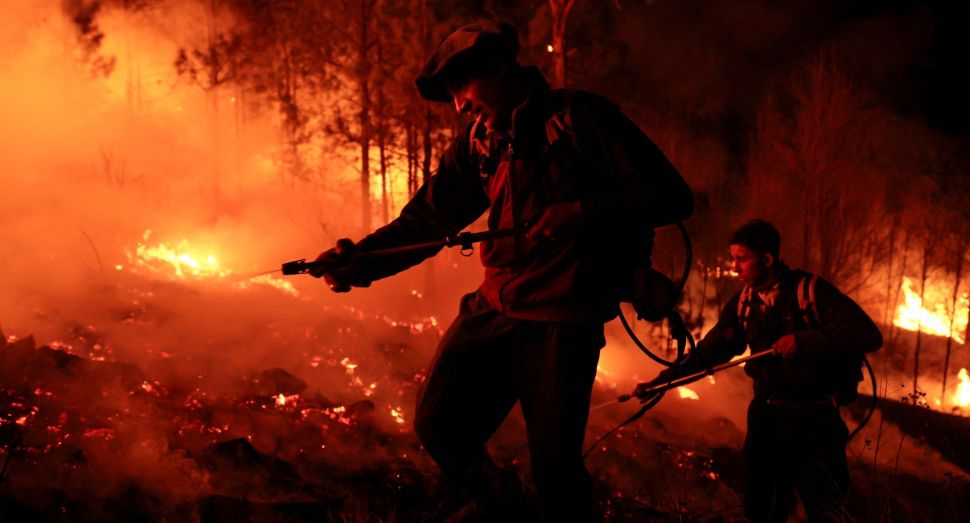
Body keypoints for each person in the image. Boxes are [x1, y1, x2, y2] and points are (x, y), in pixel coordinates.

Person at [311, 21, 693, 521]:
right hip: (493, 308)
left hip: (562, 323)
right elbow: (427, 220)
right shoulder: (479, 145)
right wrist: (358, 261)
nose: (460, 106)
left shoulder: (581, 119)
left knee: (556, 474)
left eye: (462, 89)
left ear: (497, 69)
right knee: (438, 423)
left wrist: (580, 212)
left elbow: (671, 196)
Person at [635, 219, 882, 522]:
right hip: (765, 419)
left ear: (767, 259)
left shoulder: (812, 292)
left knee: (826, 509)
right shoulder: (743, 302)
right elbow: (709, 353)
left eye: (742, 259)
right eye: (733, 259)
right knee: (761, 508)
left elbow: (867, 334)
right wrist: (660, 383)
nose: (735, 268)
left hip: (815, 423)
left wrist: (803, 342)